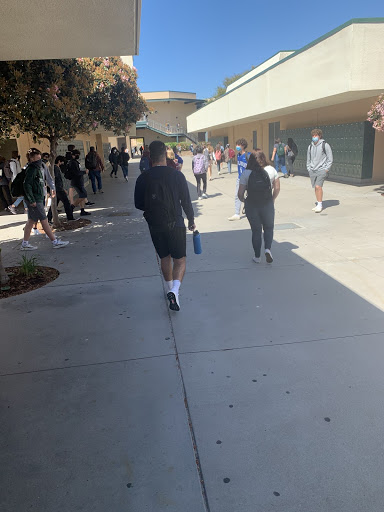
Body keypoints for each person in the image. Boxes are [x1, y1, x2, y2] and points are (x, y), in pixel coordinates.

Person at [134, 141, 195, 312]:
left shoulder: (143, 177)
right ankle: (175, 291)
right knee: (180, 260)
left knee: (164, 258)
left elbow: (138, 204)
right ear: (165, 154)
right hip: (175, 223)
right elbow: (186, 201)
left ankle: (169, 289)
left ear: (149, 155)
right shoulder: (176, 175)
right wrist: (191, 219)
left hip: (155, 224)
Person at [20, 148, 69, 250]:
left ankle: (25, 244)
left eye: (40, 157)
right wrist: (31, 199)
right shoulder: (30, 169)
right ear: (31, 159)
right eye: (37, 158)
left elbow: (48, 178)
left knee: (31, 220)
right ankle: (54, 241)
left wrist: (52, 188)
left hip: (40, 196)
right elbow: (27, 185)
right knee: (44, 219)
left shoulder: (41, 166)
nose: (39, 160)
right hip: (34, 198)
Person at [238, 150, 280, 263]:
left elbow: (240, 193)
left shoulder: (246, 173)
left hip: (252, 205)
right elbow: (277, 188)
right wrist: (272, 199)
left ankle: (257, 256)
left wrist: (245, 201)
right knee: (268, 227)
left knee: (256, 230)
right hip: (267, 204)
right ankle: (267, 249)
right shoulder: (271, 170)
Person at [307, 128, 333, 213]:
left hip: (321, 169)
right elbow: (308, 158)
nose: (314, 137)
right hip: (312, 170)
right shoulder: (310, 146)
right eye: (313, 135)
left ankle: (320, 205)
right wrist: (309, 168)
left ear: (319, 136)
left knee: (319, 186)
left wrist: (326, 169)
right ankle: (318, 203)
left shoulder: (325, 145)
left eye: (316, 135)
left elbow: (330, 158)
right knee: (315, 187)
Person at [48, 156, 77, 223]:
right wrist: (61, 189)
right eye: (62, 162)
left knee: (54, 204)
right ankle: (70, 217)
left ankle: (48, 218)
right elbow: (56, 180)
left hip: (58, 189)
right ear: (59, 161)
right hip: (58, 189)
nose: (63, 163)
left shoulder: (55, 168)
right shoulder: (55, 168)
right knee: (66, 203)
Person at [228, 138, 250, 221]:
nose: (237, 146)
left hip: (248, 179)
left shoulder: (248, 155)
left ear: (243, 146)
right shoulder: (238, 155)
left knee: (250, 196)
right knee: (238, 195)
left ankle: (250, 210)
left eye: (239, 145)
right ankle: (237, 213)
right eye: (236, 145)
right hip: (240, 179)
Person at [67, 149, 91, 216]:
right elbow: (76, 172)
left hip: (78, 181)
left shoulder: (75, 162)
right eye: (76, 155)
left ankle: (82, 210)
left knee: (82, 195)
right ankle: (72, 207)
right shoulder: (73, 163)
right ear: (73, 155)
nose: (78, 156)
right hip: (77, 182)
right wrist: (84, 172)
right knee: (83, 195)